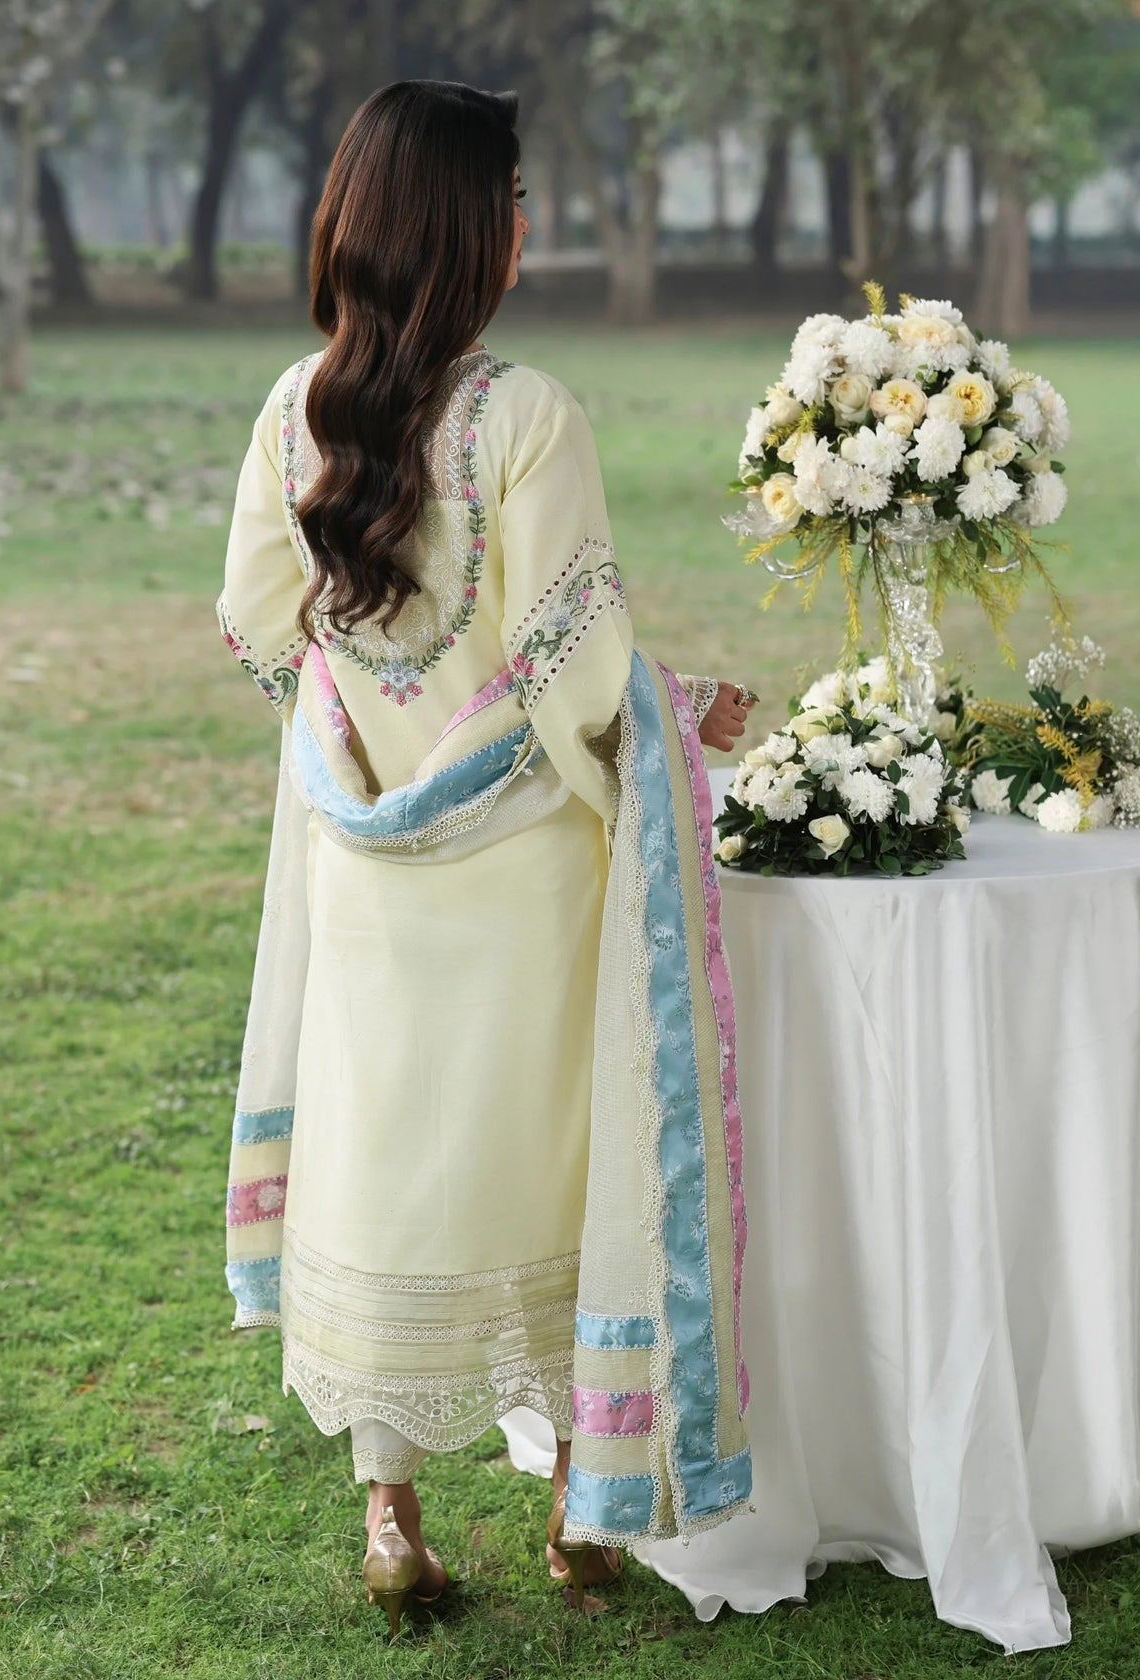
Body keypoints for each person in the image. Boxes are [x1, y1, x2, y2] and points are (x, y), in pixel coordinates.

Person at [218, 79, 754, 1635]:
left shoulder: (294, 409)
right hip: (526, 876)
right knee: (552, 1161)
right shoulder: (525, 416)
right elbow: (579, 676)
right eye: (512, 197)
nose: (528, 223)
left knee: (383, 1158)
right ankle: (582, 1505)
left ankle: (390, 1517)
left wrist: (367, 731)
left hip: (364, 870)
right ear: (463, 226)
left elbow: (260, 625)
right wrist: (682, 717)